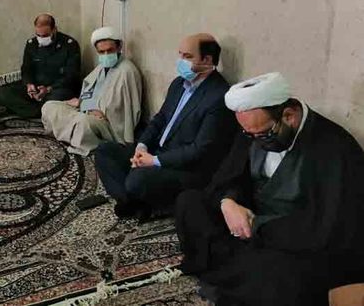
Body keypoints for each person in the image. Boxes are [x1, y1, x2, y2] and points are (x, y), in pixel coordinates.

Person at [175, 72, 364, 306]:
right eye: (249, 134)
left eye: (262, 134)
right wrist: (229, 203)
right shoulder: (256, 130)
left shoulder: (334, 148)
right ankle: (233, 273)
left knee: (282, 277)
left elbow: (326, 227)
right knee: (189, 202)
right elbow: (230, 176)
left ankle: (229, 272)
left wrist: (257, 226)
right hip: (248, 226)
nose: (255, 140)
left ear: (289, 116)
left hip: (289, 240)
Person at [95, 33, 236, 220]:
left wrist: (154, 161)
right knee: (104, 151)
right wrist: (142, 147)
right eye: (180, 55)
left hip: (185, 168)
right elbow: (160, 119)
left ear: (207, 60)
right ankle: (136, 203)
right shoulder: (179, 84)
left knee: (138, 179)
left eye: (187, 57)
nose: (181, 61)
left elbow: (200, 150)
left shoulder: (218, 96)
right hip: (157, 151)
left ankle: (136, 199)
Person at [41, 26, 142, 156]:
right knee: (49, 106)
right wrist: (82, 102)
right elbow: (88, 87)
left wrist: (101, 111)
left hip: (108, 121)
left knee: (83, 123)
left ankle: (79, 137)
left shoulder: (127, 71)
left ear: (119, 47)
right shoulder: (101, 66)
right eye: (101, 52)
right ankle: (73, 135)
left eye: (110, 50)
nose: (106, 55)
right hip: (85, 109)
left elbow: (128, 110)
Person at [0, 14, 81, 118]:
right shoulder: (32, 44)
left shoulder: (69, 45)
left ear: (54, 30)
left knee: (58, 97)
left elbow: (71, 75)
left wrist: (48, 89)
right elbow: (26, 68)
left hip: (57, 88)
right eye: (38, 35)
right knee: (3, 93)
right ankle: (41, 111)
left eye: (45, 36)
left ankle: (35, 110)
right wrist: (29, 85)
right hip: (37, 88)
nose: (41, 39)